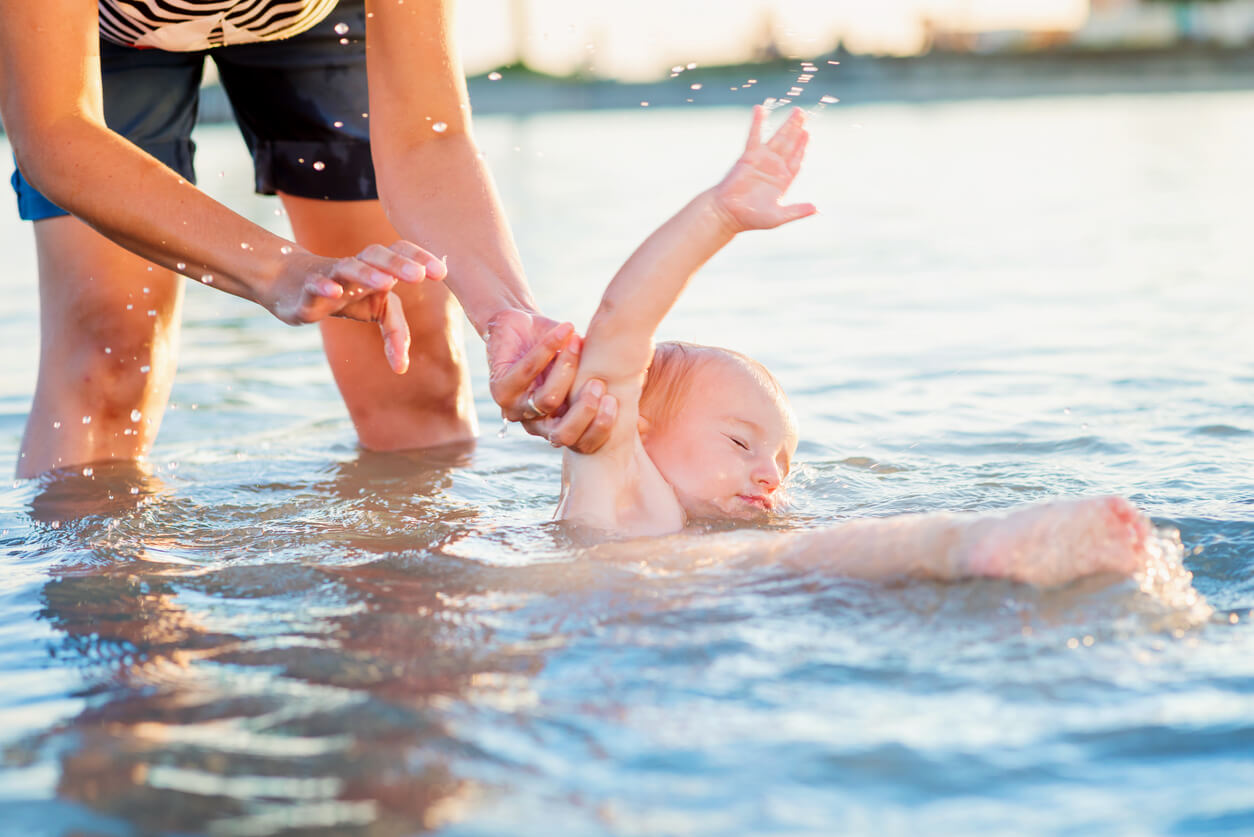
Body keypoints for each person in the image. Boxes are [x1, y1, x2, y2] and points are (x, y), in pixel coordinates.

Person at [0, 0, 613, 479]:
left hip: (314, 19)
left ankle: (416, 622)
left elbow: (429, 138)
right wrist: (278, 270)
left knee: (412, 365)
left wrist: (511, 314)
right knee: (107, 350)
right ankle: (102, 616)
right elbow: (56, 130)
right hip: (103, 34)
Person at [558, 105, 1159, 586]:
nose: (769, 474)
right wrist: (717, 216)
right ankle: (969, 544)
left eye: (782, 462)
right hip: (647, 599)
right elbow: (620, 324)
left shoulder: (702, 530)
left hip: (697, 612)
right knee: (804, 556)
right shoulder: (613, 478)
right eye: (740, 442)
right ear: (637, 422)